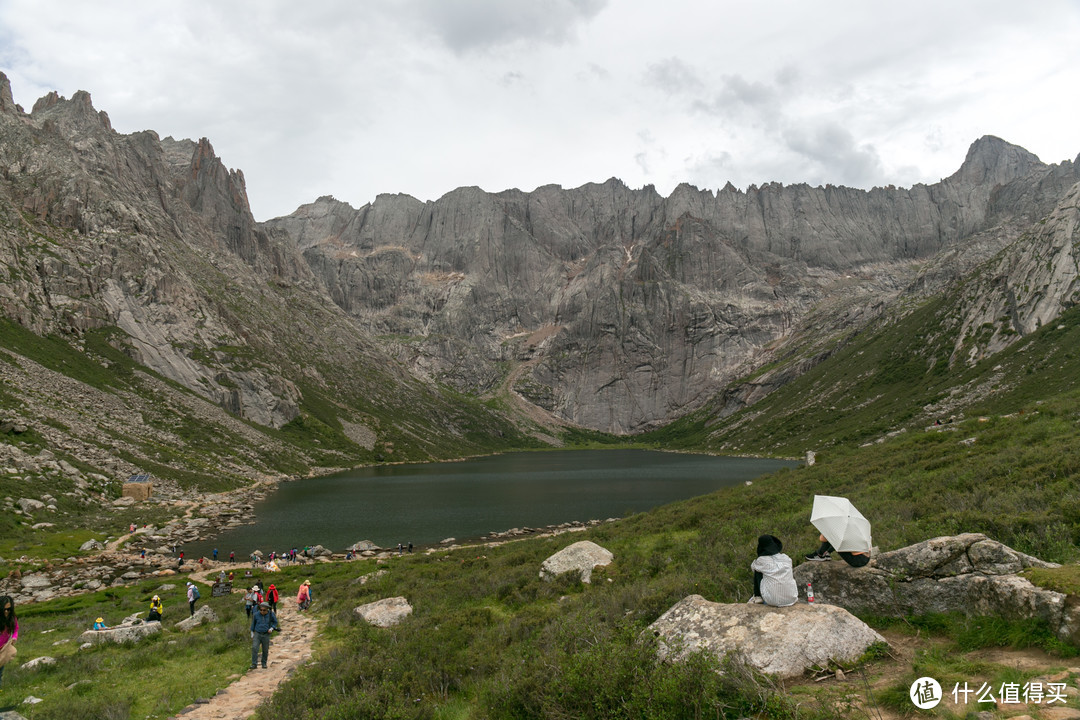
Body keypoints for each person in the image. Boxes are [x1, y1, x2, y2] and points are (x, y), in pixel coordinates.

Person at [748, 534, 798, 607]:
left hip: (772, 601)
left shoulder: (761, 560)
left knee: (757, 570)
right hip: (792, 599)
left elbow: (753, 567)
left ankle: (758, 597)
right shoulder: (786, 558)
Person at [805, 534, 871, 567]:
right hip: (866, 558)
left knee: (835, 538)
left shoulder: (845, 531)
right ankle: (825, 554)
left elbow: (822, 539)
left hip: (857, 560)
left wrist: (827, 530)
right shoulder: (857, 527)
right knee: (836, 539)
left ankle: (820, 554)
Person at [249, 602, 280, 670]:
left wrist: (271, 628)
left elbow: (275, 622)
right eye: (261, 610)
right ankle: (254, 664)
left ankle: (264, 663)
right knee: (254, 648)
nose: (262, 611)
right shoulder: (256, 615)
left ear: (267, 609)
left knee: (265, 649)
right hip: (257, 633)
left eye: (264, 610)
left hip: (266, 634)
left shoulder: (271, 614)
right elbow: (253, 624)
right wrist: (252, 634)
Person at [0, 596, 18, 688]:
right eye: (4, 609)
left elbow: (15, 630)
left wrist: (14, 638)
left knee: (0, 670)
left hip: (3, 648)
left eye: (9, 609)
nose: (6, 611)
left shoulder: (12, 618)